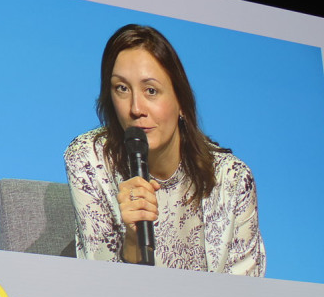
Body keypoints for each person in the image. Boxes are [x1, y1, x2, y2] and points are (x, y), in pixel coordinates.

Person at [63, 24, 265, 275]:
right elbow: (98, 285)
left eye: (151, 90)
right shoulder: (90, 160)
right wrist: (134, 246)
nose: (136, 108)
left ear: (181, 102)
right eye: (122, 88)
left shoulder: (231, 180)